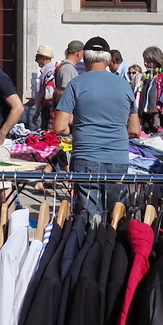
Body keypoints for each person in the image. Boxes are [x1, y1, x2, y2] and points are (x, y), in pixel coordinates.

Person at [54, 46, 140, 215]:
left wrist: (78, 128)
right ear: (108, 60)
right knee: (115, 216)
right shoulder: (124, 85)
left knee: (87, 218)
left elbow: (59, 127)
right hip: (117, 157)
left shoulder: (76, 83)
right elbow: (135, 130)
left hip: (86, 155)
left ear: (85, 59)